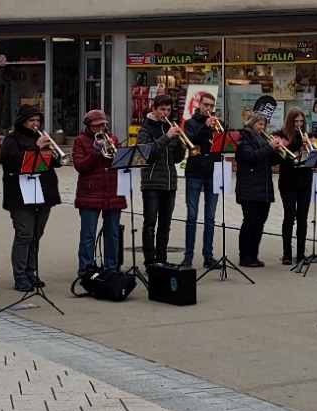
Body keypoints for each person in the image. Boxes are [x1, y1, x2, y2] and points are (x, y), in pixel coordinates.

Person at [1, 105, 63, 291]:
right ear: (22, 121)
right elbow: (10, 160)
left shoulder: (42, 137)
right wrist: (35, 147)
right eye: (31, 120)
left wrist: (52, 153)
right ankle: (19, 275)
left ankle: (31, 271)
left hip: (43, 191)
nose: (35, 124)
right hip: (19, 193)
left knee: (36, 233)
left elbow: (55, 164)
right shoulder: (11, 139)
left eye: (37, 120)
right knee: (24, 233)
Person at [72, 110, 126, 275]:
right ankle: (86, 270)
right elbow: (80, 166)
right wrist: (95, 153)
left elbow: (120, 163)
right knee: (88, 234)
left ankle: (111, 268)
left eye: (103, 125)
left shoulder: (113, 139)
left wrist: (115, 150)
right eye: (97, 126)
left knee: (113, 234)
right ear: (88, 126)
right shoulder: (79, 141)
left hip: (112, 191)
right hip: (90, 192)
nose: (101, 128)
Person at [136, 94, 184, 266]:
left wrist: (181, 144)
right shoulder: (145, 129)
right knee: (150, 223)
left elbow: (177, 159)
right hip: (151, 182)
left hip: (170, 182)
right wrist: (167, 137)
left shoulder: (170, 128)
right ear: (154, 109)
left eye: (169, 110)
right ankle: (150, 260)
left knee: (165, 225)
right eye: (162, 109)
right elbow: (145, 155)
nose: (166, 113)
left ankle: (162, 259)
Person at [182, 92, 222, 268]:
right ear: (199, 104)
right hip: (194, 173)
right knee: (192, 217)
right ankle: (188, 256)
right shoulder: (190, 123)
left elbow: (222, 144)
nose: (208, 109)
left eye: (211, 106)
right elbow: (190, 142)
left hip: (213, 173)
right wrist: (205, 127)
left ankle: (208, 256)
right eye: (206, 105)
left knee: (210, 217)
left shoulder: (216, 124)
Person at [235, 111, 278, 268]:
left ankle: (254, 254)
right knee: (250, 221)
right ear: (252, 124)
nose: (263, 127)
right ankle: (245, 256)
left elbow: (270, 160)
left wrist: (278, 151)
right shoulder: (244, 137)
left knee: (260, 222)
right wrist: (269, 148)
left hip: (263, 187)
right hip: (249, 186)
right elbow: (249, 156)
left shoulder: (262, 139)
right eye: (260, 124)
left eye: (264, 124)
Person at [275, 107, 314, 266]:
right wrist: (297, 143)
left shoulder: (308, 136)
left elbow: (313, 155)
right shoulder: (280, 135)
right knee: (289, 216)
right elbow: (281, 157)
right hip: (288, 180)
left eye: (301, 121)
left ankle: (300, 253)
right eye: (296, 122)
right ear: (290, 122)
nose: (299, 125)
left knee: (303, 217)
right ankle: (287, 253)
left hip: (305, 179)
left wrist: (308, 146)